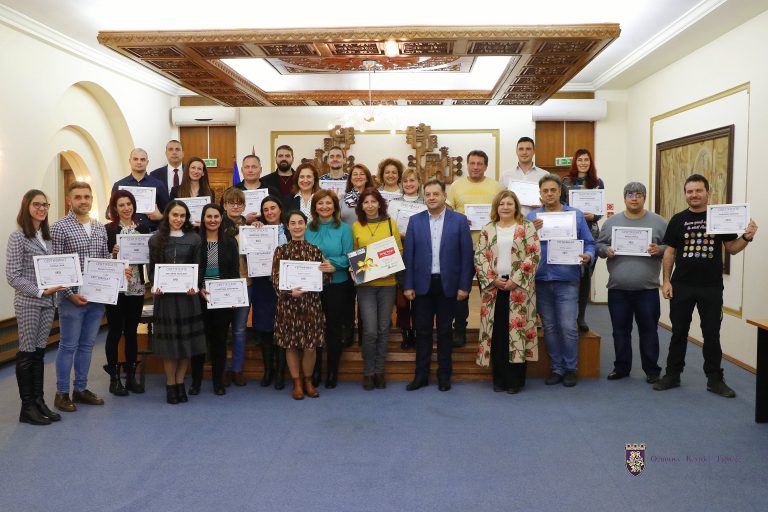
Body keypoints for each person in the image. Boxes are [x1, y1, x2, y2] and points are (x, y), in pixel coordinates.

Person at [654, 174, 758, 397]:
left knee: (711, 334)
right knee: (678, 332)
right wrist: (666, 281)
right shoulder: (678, 220)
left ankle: (715, 379)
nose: (694, 195)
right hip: (681, 286)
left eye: (698, 190)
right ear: (685, 194)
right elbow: (669, 252)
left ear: (708, 192)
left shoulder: (719, 218)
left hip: (711, 288)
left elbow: (732, 248)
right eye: (690, 191)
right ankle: (672, 374)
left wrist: (747, 237)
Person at [403, 179, 474, 392]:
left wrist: (465, 286)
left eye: (436, 194)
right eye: (428, 194)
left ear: (444, 196)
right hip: (422, 286)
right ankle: (421, 376)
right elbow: (409, 256)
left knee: (445, 332)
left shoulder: (459, 221)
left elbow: (466, 256)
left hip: (448, 286)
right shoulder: (415, 221)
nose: (432, 198)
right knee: (422, 332)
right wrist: (408, 285)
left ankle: (444, 376)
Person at [526, 174, 595, 388]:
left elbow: (589, 243)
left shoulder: (575, 215)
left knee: (567, 326)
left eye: (553, 190)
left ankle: (570, 368)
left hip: (567, 280)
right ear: (540, 194)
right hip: (541, 279)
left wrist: (588, 255)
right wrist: (531, 232)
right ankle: (556, 368)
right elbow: (521, 247)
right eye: (545, 191)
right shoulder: (532, 218)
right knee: (549, 327)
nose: (549, 194)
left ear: (559, 192)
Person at [595, 182, 667, 383]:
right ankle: (621, 367)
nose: (634, 198)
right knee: (620, 331)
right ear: (624, 197)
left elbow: (671, 247)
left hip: (647, 289)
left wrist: (659, 250)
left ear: (644, 197)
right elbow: (598, 245)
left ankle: (652, 370)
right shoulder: (612, 222)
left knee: (649, 331)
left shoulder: (659, 222)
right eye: (630, 194)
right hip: (618, 289)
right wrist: (605, 250)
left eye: (638, 194)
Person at [6, 190, 64, 425]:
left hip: (49, 302)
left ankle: (39, 402)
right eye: (36, 204)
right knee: (27, 353)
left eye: (45, 205)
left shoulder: (46, 238)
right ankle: (27, 407)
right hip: (29, 302)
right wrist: (40, 291)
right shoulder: (18, 237)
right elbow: (13, 276)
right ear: (27, 207)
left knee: (39, 353)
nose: (42, 209)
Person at [51, 181, 110, 412]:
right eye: (78, 197)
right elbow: (55, 266)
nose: (83, 201)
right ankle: (62, 393)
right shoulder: (59, 227)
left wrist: (117, 270)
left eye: (87, 196)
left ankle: (81, 389)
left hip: (96, 298)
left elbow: (104, 260)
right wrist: (70, 294)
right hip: (71, 300)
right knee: (68, 346)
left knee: (87, 346)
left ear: (92, 199)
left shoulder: (99, 227)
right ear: (69, 200)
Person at [474, 190, 540, 394]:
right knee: (497, 334)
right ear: (496, 207)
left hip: (519, 289)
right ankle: (499, 379)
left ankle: (515, 381)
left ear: (516, 207)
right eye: (502, 204)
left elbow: (534, 254)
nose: (505, 207)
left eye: (509, 204)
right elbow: (479, 256)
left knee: (516, 333)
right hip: (494, 288)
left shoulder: (526, 227)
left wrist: (516, 280)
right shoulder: (488, 229)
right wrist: (493, 278)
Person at [148, 200, 206, 404]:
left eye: (182, 216)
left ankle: (180, 382)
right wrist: (155, 284)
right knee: (170, 346)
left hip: (188, 298)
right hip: (166, 300)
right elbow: (152, 269)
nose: (178, 219)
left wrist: (195, 285)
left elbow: (198, 268)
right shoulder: (155, 239)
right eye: (175, 215)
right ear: (167, 216)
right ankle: (170, 384)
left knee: (186, 343)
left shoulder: (194, 239)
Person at [446, 149, 502, 347]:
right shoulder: (456, 186)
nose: (476, 167)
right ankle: (459, 329)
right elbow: (448, 212)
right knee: (461, 291)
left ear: (486, 166)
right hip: (462, 248)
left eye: (480, 163)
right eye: (472, 163)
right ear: (467, 165)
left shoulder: (496, 186)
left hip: (489, 248)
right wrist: (460, 219)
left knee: (490, 290)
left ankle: (491, 331)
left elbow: (503, 212)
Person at [352, 188, 404, 390]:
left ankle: (379, 372)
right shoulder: (356, 226)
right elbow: (353, 253)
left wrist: (387, 268)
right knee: (370, 330)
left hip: (387, 284)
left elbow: (399, 251)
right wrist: (353, 267)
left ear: (380, 203)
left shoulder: (391, 223)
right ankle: (368, 372)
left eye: (374, 201)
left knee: (383, 329)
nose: (370, 205)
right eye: (366, 202)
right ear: (361, 206)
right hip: (365, 286)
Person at [271, 211, 326, 400]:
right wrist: (288, 291)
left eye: (300, 222)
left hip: (311, 304)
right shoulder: (281, 251)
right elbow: (275, 278)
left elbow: (323, 280)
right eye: (293, 223)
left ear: (305, 225)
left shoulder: (315, 250)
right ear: (287, 226)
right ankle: (297, 383)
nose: (296, 226)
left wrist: (327, 270)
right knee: (291, 345)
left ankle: (308, 381)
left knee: (310, 346)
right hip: (288, 305)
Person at [305, 190, 354, 388]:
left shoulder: (344, 229)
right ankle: (315, 370)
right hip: (313, 286)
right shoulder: (308, 229)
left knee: (333, 328)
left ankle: (332, 371)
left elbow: (349, 255)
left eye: (328, 203)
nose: (324, 207)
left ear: (334, 206)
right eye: (320, 203)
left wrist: (335, 264)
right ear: (314, 207)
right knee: (315, 328)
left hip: (337, 284)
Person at [104, 190, 150, 396]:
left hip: (136, 285)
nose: (126, 208)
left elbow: (148, 256)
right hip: (116, 287)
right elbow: (102, 260)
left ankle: (131, 377)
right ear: (115, 208)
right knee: (115, 331)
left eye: (129, 204)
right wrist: (112, 254)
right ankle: (114, 379)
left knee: (131, 331)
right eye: (121, 205)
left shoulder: (143, 228)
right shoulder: (108, 230)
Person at [192, 204, 240, 396]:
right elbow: (191, 270)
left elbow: (235, 272)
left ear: (221, 218)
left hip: (222, 299)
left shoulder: (230, 242)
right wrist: (198, 288)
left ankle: (218, 382)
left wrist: (235, 295)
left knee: (219, 341)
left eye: (216, 216)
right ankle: (196, 382)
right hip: (199, 298)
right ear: (203, 219)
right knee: (199, 341)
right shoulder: (196, 242)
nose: (213, 220)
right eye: (209, 216)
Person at [562, 149, 605, 333]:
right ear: (575, 162)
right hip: (570, 233)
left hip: (591, 233)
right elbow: (561, 207)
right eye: (580, 159)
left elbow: (600, 211)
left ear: (590, 162)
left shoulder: (597, 183)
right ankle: (568, 315)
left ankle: (581, 317)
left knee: (586, 275)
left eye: (586, 159)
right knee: (571, 274)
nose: (583, 163)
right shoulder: (565, 182)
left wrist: (593, 216)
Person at [250, 194, 289, 389]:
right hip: (263, 285)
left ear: (280, 209)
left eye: (273, 208)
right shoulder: (256, 229)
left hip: (285, 286)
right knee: (265, 329)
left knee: (281, 328)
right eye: (265, 210)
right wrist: (252, 230)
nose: (269, 212)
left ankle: (281, 372)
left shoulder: (290, 228)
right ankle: (268, 371)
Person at [388, 169, 425, 348]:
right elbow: (388, 228)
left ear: (419, 182)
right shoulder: (393, 203)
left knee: (418, 294)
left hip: (420, 252)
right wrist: (399, 235)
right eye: (405, 181)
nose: (409, 184)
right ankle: (405, 331)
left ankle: (417, 329)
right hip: (398, 250)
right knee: (401, 295)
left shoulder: (426, 202)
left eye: (412, 180)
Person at [220, 187, 252, 387]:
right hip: (223, 284)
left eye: (239, 203)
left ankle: (237, 369)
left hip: (245, 282)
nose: (235, 206)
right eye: (231, 203)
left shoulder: (250, 227)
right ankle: (223, 369)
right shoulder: (217, 225)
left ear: (244, 206)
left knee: (239, 329)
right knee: (223, 329)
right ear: (224, 205)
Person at [111, 148, 169, 230]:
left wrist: (160, 216)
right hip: (126, 232)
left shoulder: (158, 185)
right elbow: (109, 212)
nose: (139, 162)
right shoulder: (119, 185)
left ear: (147, 162)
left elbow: (170, 212)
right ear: (130, 161)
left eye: (142, 159)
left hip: (152, 232)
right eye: (135, 159)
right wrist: (113, 213)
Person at [498, 137, 549, 215]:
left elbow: (550, 201)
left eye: (528, 149)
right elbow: (500, 201)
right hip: (512, 219)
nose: (524, 152)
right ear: (516, 151)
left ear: (534, 151)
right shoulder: (505, 175)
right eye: (521, 149)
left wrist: (544, 204)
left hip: (537, 219)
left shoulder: (545, 175)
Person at [234, 154, 279, 223]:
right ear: (242, 170)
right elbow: (225, 217)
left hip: (267, 228)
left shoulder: (272, 192)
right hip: (238, 229)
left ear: (260, 170)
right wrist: (243, 220)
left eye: (254, 167)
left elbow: (280, 214)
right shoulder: (232, 191)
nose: (250, 170)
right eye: (247, 167)